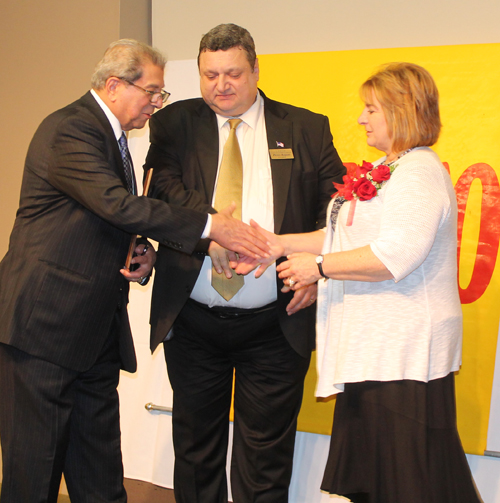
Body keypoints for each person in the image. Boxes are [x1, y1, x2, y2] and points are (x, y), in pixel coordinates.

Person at [0, 39, 269, 503]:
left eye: (161, 94)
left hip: (94, 334)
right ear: (113, 85)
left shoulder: (115, 140)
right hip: (43, 332)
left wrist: (140, 250)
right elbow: (116, 204)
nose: (157, 103)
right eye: (152, 92)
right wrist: (212, 225)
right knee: (33, 474)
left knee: (100, 472)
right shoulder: (71, 129)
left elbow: (103, 218)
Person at [244, 62, 481, 502]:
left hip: (405, 350)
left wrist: (317, 267)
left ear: (402, 110)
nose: (361, 118)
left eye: (371, 109)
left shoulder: (418, 173)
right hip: (374, 348)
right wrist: (276, 244)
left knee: (412, 480)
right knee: (381, 478)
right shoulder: (386, 168)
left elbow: (396, 255)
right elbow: (340, 235)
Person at [144, 23, 345, 503]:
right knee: (195, 452)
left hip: (275, 325)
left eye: (232, 73)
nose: (221, 85)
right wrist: (209, 229)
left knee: (265, 458)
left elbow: (338, 209)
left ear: (255, 69)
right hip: (193, 322)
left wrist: (316, 269)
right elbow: (160, 193)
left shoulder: (305, 127)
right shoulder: (174, 123)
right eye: (209, 74)